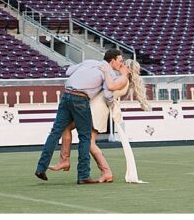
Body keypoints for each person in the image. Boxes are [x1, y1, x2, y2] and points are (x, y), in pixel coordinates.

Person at [34, 48, 129, 185]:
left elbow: (68, 71)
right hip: (80, 99)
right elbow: (108, 94)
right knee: (85, 137)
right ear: (112, 60)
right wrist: (111, 105)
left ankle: (41, 168)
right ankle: (83, 175)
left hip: (66, 95)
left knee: (55, 133)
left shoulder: (90, 62)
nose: (121, 63)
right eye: (120, 61)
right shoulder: (109, 72)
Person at [48, 57, 152, 182]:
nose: (121, 64)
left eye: (124, 64)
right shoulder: (122, 79)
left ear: (128, 69)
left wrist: (106, 71)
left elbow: (110, 86)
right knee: (70, 130)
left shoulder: (123, 79)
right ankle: (66, 160)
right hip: (95, 107)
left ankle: (104, 171)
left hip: (97, 109)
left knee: (88, 142)